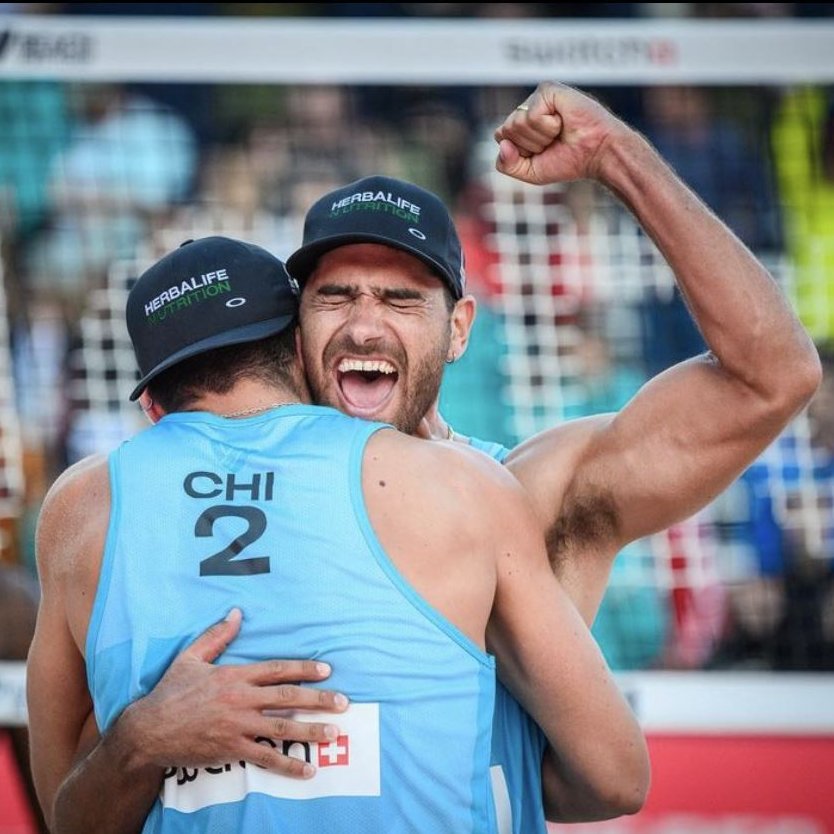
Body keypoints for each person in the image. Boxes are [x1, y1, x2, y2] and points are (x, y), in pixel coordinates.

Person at [38, 80, 821, 833]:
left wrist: (617, 155)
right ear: (292, 329)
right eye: (336, 297)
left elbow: (771, 377)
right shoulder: (189, 511)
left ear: (458, 330)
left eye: (403, 299)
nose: (366, 326)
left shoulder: (531, 488)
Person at [26, 236, 647, 833]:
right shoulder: (460, 483)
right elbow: (616, 779)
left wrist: (141, 740)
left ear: (153, 407)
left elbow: (65, 817)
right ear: (301, 351)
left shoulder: (81, 509)